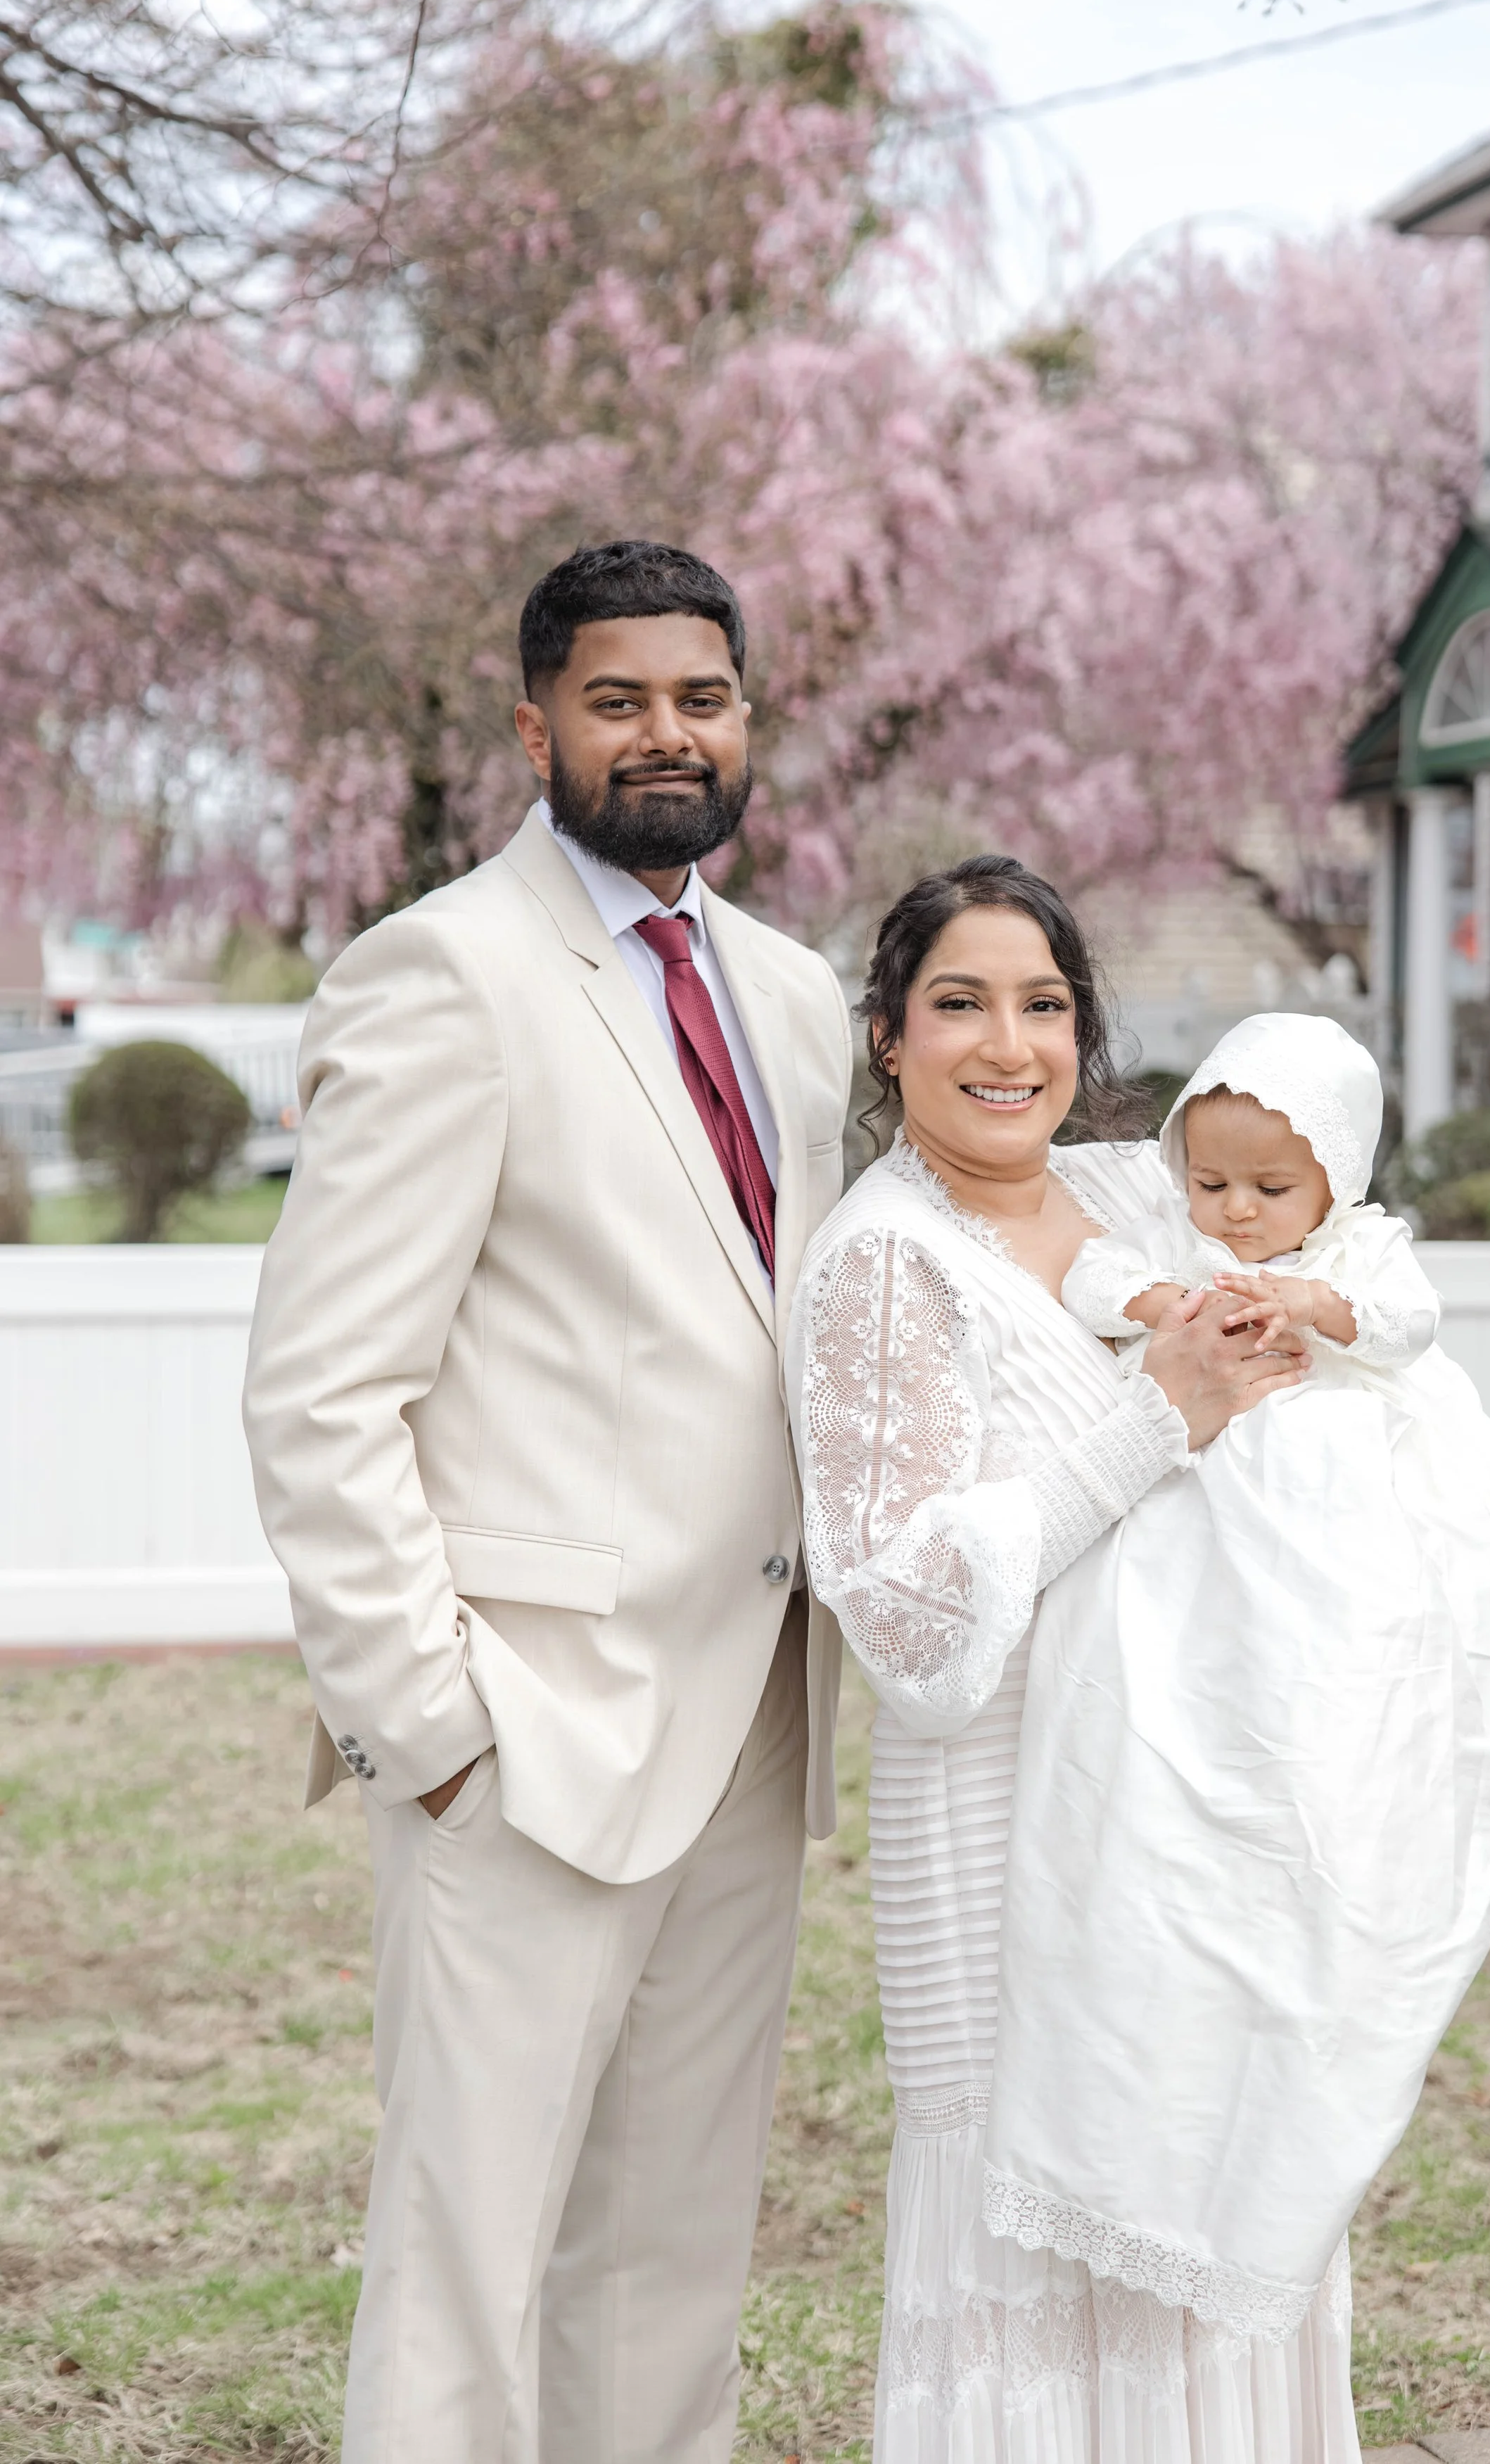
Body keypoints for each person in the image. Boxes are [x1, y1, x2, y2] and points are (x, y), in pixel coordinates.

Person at [242, 539, 853, 2464]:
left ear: (744, 718)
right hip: (521, 1730)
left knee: (669, 2251)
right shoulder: (444, 972)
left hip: (753, 1718)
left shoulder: (795, 992)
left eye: (702, 695)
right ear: (535, 727)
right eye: (618, 698)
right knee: (466, 2256)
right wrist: (425, 1725)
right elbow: (325, 1388)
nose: (665, 732)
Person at [784, 856, 1313, 2463]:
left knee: (1211, 2233)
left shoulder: (1151, 1197)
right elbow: (909, 1630)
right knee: (1051, 2250)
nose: (1003, 1043)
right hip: (1009, 1841)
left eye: (1041, 1003)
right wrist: (1156, 1418)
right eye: (957, 1003)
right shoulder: (883, 1269)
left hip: (1197, 1824)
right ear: (887, 1037)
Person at [983, 1013, 1490, 2446]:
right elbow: (1097, 1274)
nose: (1232, 1213)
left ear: (1331, 1180)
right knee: (1161, 1676)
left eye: (1264, 1192)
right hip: (1199, 1518)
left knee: (1322, 1690)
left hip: (1323, 1519)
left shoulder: (1357, 1254)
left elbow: (1409, 1323)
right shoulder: (1176, 1242)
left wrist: (1314, 1312)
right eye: (1211, 1182)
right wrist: (1164, 1301)